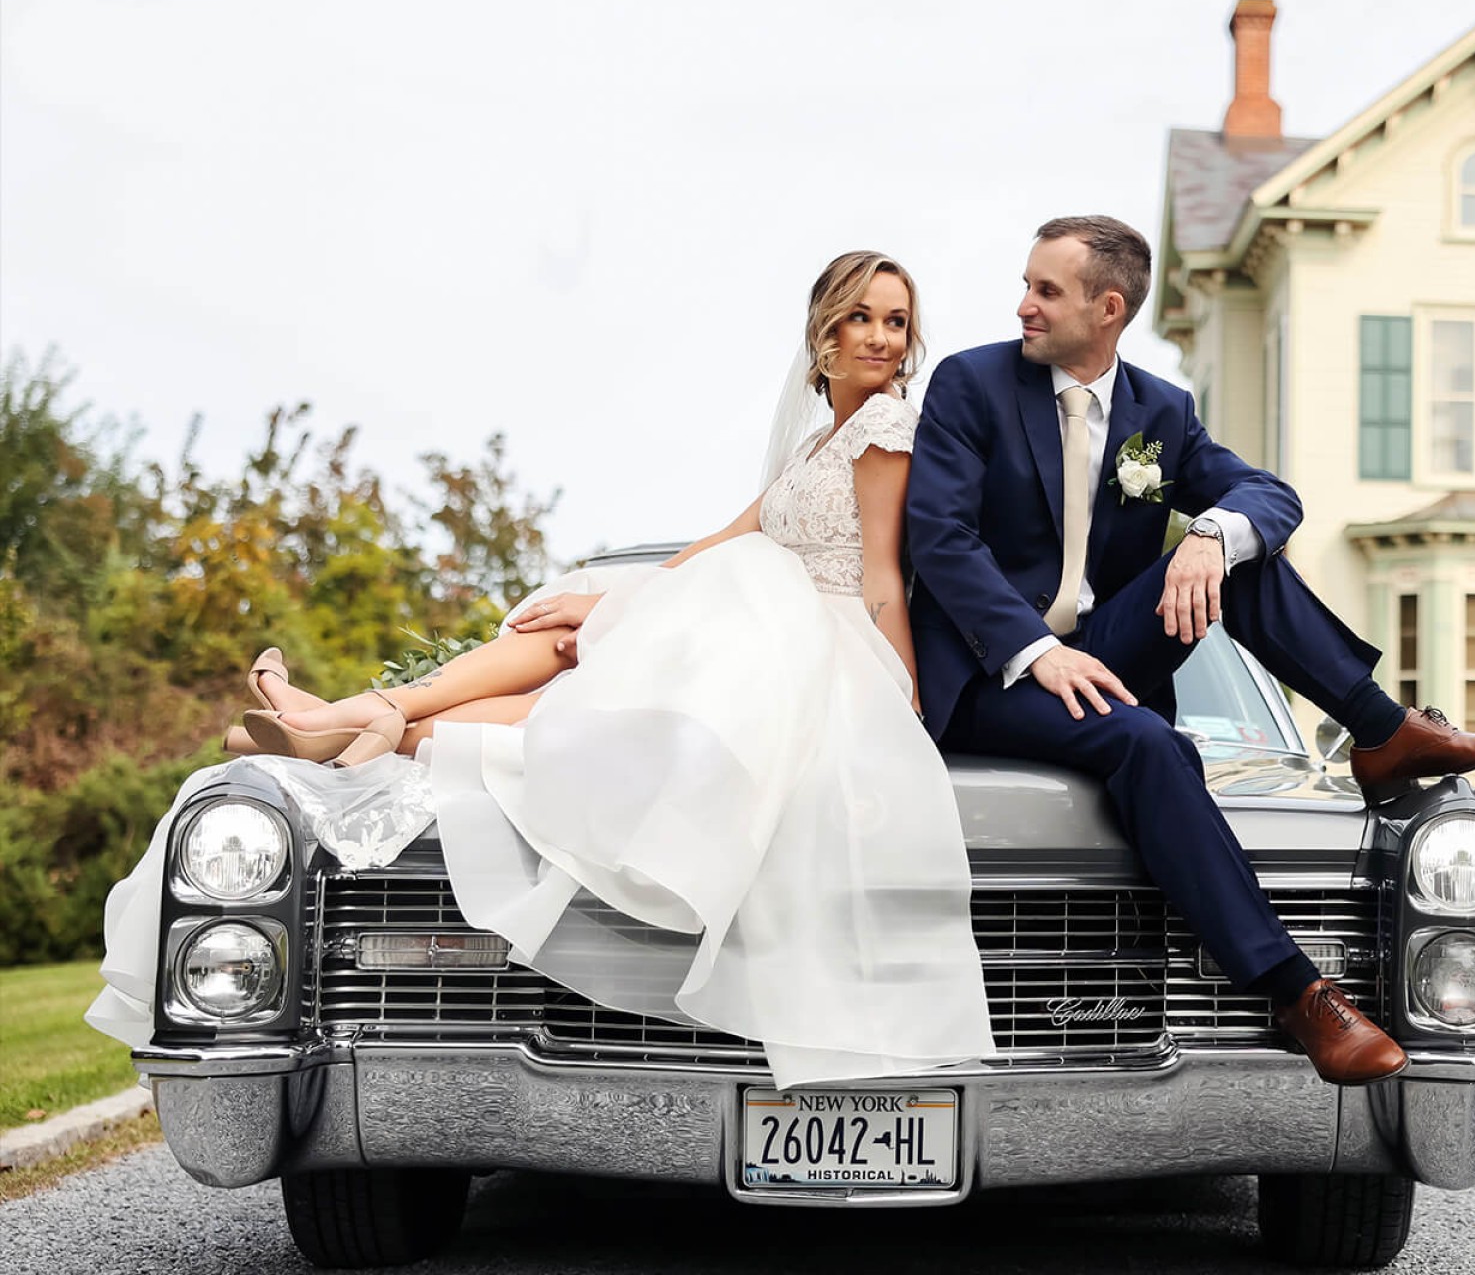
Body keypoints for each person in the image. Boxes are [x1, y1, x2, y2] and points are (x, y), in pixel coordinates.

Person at [230, 251, 995, 1086]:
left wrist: (900, 682)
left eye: (895, 321)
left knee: (588, 676)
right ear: (824, 333)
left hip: (816, 638)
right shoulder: (817, 442)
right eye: (862, 317)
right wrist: (620, 603)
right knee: (578, 632)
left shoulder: (886, 431)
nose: (882, 338)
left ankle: (357, 719)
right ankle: (366, 717)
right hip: (761, 614)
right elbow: (727, 540)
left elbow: (884, 569)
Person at [906, 215, 1475, 1088]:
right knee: (1152, 744)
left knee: (1239, 553)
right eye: (1026, 285)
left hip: (1107, 652)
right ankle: (1297, 994)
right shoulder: (971, 385)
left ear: (1109, 308)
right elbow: (939, 540)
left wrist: (1208, 534)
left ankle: (1381, 733)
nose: (1024, 306)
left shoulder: (1160, 412)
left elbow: (1269, 494)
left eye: (1046, 290)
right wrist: (1032, 652)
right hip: (992, 676)